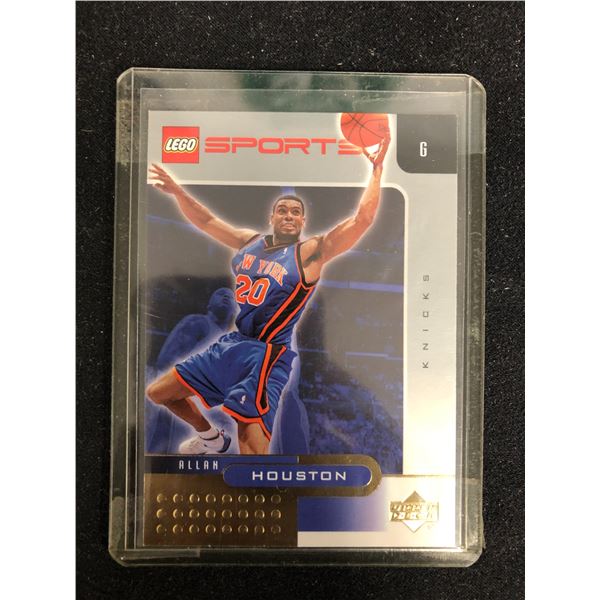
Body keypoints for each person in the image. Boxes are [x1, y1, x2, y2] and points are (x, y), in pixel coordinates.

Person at [145, 131, 390, 455]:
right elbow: (206, 220)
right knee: (159, 393)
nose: (289, 215)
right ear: (272, 217)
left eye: (295, 212)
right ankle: (212, 438)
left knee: (251, 450)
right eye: (282, 210)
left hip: (266, 355)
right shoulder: (250, 241)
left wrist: (377, 170)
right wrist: (178, 192)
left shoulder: (310, 253)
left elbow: (362, 220)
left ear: (303, 221)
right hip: (232, 344)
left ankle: (252, 479)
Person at [146, 288, 237, 453]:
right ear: (209, 305)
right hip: (184, 395)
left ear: (234, 310)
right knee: (166, 446)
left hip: (211, 402)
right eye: (220, 293)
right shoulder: (198, 322)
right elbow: (166, 360)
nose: (226, 296)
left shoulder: (231, 340)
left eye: (231, 296)